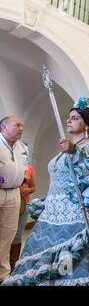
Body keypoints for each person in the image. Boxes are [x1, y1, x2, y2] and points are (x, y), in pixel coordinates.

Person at [2, 100, 89, 286]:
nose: (69, 121)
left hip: (76, 216)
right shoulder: (67, 148)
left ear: (86, 123)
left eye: (75, 118)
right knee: (43, 258)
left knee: (68, 264)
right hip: (53, 215)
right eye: (69, 118)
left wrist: (75, 152)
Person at [0, 116, 29, 283]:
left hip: (14, 193)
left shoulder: (22, 147)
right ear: (4, 127)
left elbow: (24, 168)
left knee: (7, 235)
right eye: (17, 125)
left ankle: (3, 276)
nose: (22, 128)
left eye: (22, 125)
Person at [10, 164, 36, 271]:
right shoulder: (8, 166)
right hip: (9, 203)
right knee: (5, 235)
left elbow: (34, 187)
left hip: (24, 205)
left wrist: (27, 190)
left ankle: (13, 267)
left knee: (17, 236)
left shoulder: (29, 168)